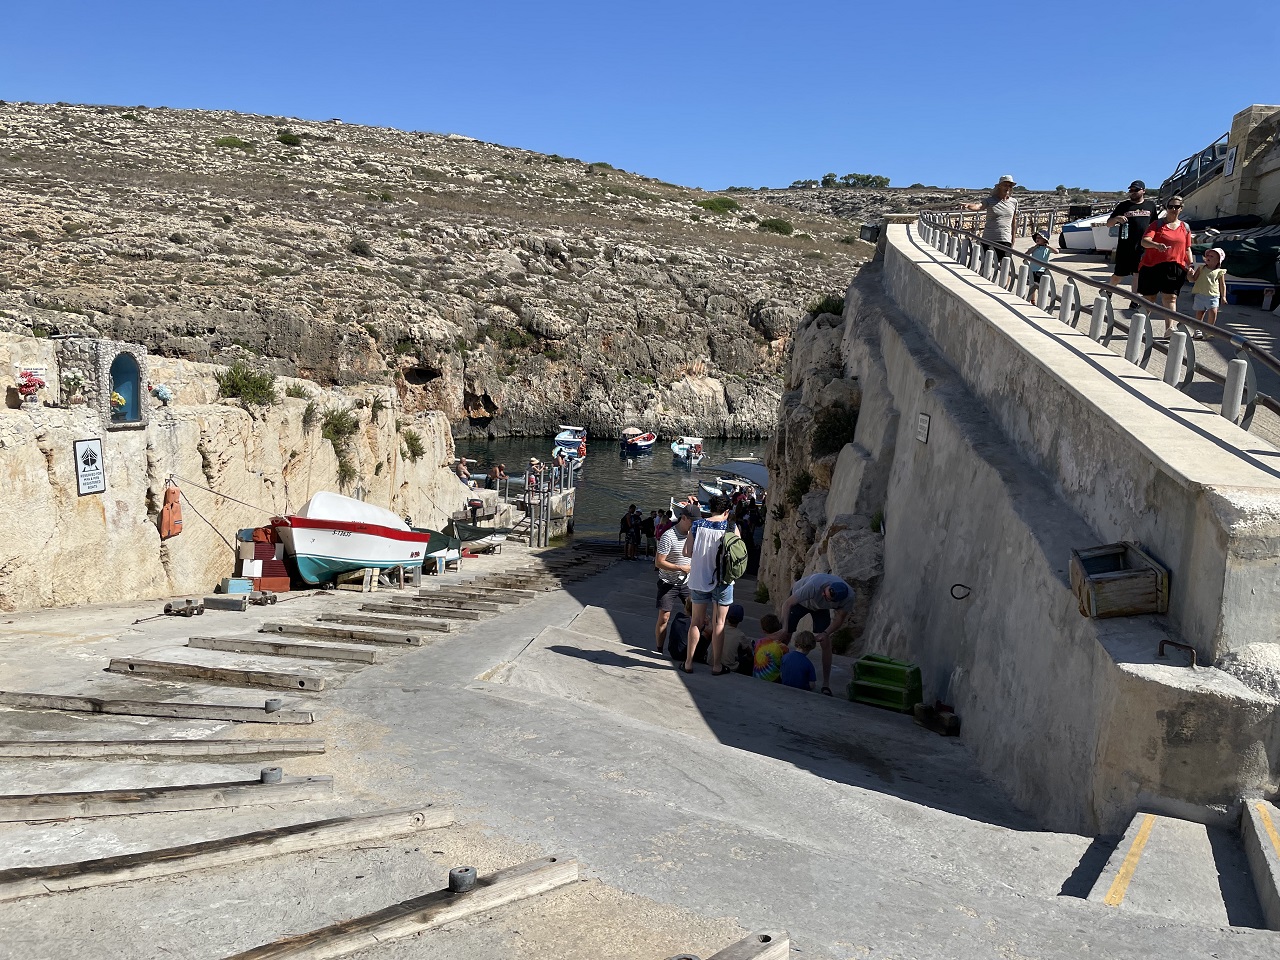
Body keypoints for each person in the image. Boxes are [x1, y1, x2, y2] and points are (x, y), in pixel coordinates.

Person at [681, 494, 735, 675]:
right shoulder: (731, 527)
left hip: (698, 579)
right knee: (719, 623)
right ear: (727, 511)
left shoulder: (696, 526)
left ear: (710, 508)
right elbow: (738, 554)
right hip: (723, 581)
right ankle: (717, 666)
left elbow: (687, 552)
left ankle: (688, 663)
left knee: (695, 622)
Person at [779, 573, 855, 696]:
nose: (823, 594)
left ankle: (826, 684)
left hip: (820, 608)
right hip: (800, 602)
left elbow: (839, 619)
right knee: (786, 635)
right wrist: (784, 628)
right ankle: (776, 668)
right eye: (824, 592)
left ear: (836, 601)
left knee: (826, 642)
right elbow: (787, 604)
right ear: (828, 586)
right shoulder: (815, 586)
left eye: (826, 597)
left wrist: (825, 633)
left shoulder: (849, 597)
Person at [1138, 195, 1193, 329]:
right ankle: (1139, 327)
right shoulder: (1156, 224)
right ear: (1166, 208)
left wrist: (1190, 265)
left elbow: (1187, 248)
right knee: (1149, 298)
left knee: (1171, 298)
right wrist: (1156, 245)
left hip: (1174, 267)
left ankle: (1169, 329)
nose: (1173, 209)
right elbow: (1144, 242)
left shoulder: (1185, 227)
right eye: (1170, 206)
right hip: (1152, 266)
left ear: (1181, 209)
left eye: (1177, 207)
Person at [1105, 180, 1160, 307]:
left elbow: (1154, 225)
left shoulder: (1150, 206)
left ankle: (1134, 300)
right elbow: (1109, 224)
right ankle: (1109, 290)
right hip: (1125, 246)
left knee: (1137, 274)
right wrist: (1116, 219)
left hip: (1142, 246)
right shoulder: (1123, 206)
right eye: (1131, 190)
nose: (1133, 192)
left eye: (1136, 190)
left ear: (1143, 191)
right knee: (1119, 274)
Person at [654, 504, 699, 652]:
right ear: (683, 518)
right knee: (664, 617)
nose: (694, 525)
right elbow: (659, 562)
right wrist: (681, 568)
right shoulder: (669, 536)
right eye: (692, 522)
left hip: (687, 582)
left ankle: (693, 651)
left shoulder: (693, 534)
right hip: (668, 582)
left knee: (697, 615)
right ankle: (659, 649)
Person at [961, 175, 1018, 262]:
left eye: (1009, 186)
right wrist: (968, 205)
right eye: (1005, 185)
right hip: (989, 239)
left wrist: (1013, 239)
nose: (1007, 188)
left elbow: (1013, 221)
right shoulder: (990, 200)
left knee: (1005, 267)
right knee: (986, 265)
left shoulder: (1014, 202)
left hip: (1005, 238)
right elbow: (979, 206)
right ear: (999, 186)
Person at [1189, 247, 1228, 334]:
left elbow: (1222, 285)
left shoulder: (1219, 271)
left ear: (1218, 261)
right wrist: (1189, 275)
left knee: (1213, 312)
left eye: (1212, 256)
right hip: (1200, 294)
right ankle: (1197, 330)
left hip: (1213, 295)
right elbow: (1193, 279)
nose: (1208, 257)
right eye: (1207, 255)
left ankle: (1209, 330)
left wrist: (1223, 297)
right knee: (1200, 313)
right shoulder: (1201, 268)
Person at [752, 613, 788, 682]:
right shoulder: (783, 647)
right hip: (774, 680)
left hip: (756, 676)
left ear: (764, 631)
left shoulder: (758, 643)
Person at [721, 603, 749, 674]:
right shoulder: (740, 635)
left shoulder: (720, 629)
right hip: (729, 666)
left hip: (711, 661)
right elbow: (748, 650)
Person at [1026, 231, 1053, 300]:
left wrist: (1047, 246)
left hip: (1042, 270)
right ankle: (1032, 300)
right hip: (1032, 270)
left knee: (1041, 287)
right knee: (1032, 286)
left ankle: (1040, 300)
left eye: (1040, 238)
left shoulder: (1047, 249)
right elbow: (1026, 254)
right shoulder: (1034, 248)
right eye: (1036, 238)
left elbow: (1057, 252)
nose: (1037, 239)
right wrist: (1034, 247)